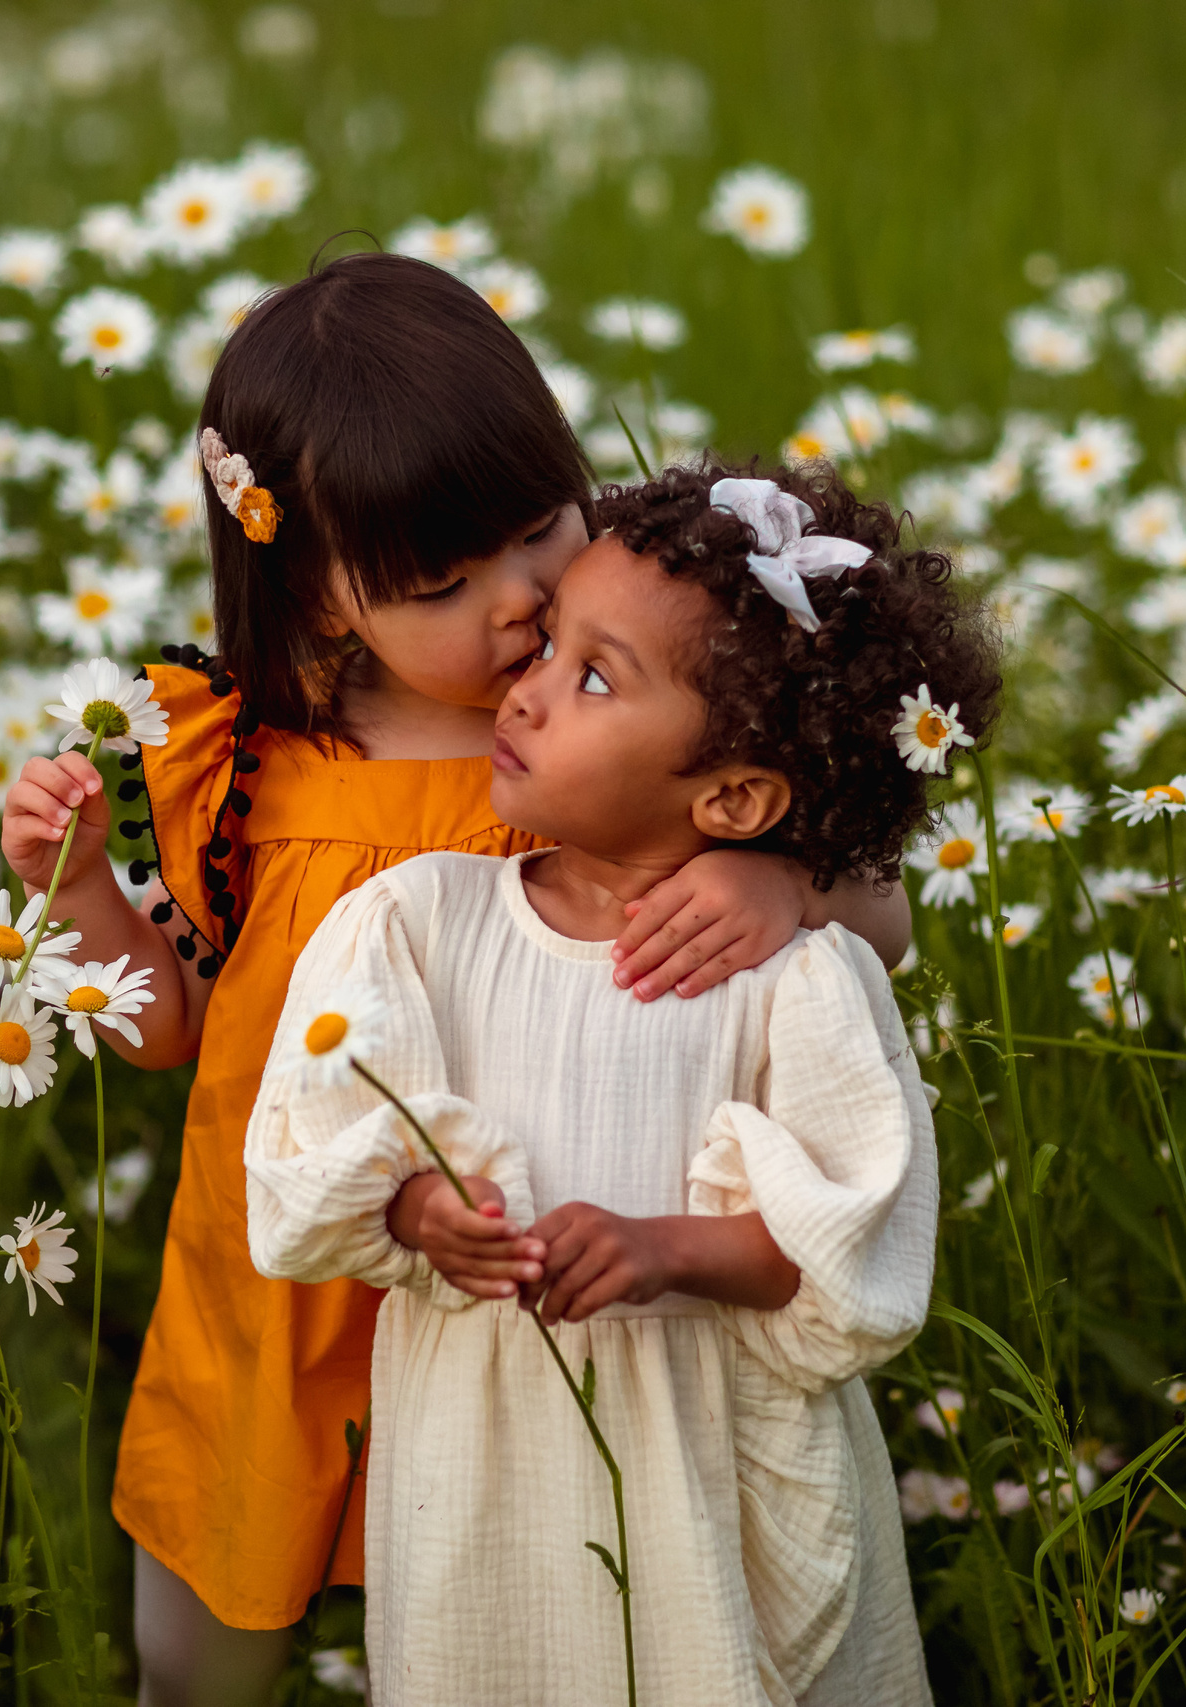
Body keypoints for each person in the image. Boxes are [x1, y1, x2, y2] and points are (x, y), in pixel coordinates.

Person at [0, 255, 913, 1706]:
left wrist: (783, 879)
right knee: (202, 1643)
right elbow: (166, 1025)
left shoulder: (623, 728)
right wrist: (87, 892)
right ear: (312, 583)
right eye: (441, 581)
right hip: (290, 1287)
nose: (518, 603)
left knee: (536, 1620)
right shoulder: (230, 761)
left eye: (540, 529)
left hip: (544, 1282)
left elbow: (883, 919)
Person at [244, 460, 999, 1705]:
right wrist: (414, 1212)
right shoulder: (416, 925)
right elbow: (310, 1146)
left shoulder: (792, 972)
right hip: (483, 1454)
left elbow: (843, 1253)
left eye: (591, 676)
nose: (526, 693)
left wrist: (666, 1251)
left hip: (709, 1448)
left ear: (736, 796)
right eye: (547, 649)